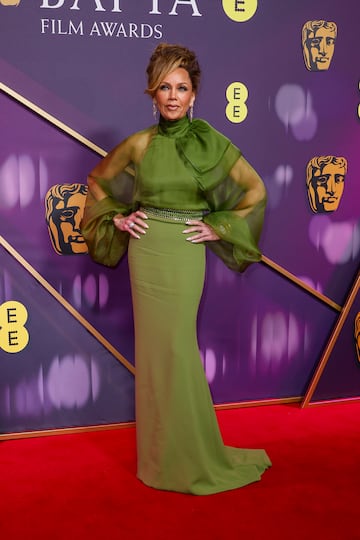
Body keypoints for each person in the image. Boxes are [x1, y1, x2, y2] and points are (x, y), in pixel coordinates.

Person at [81, 43, 271, 495]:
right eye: (164, 87)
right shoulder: (139, 144)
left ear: (194, 95)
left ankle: (195, 454)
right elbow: (97, 182)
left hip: (185, 255)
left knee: (179, 351)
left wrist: (219, 227)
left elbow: (255, 191)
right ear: (152, 94)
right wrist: (119, 219)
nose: (172, 96)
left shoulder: (210, 141)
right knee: (153, 356)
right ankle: (159, 459)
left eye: (181, 88)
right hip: (147, 253)